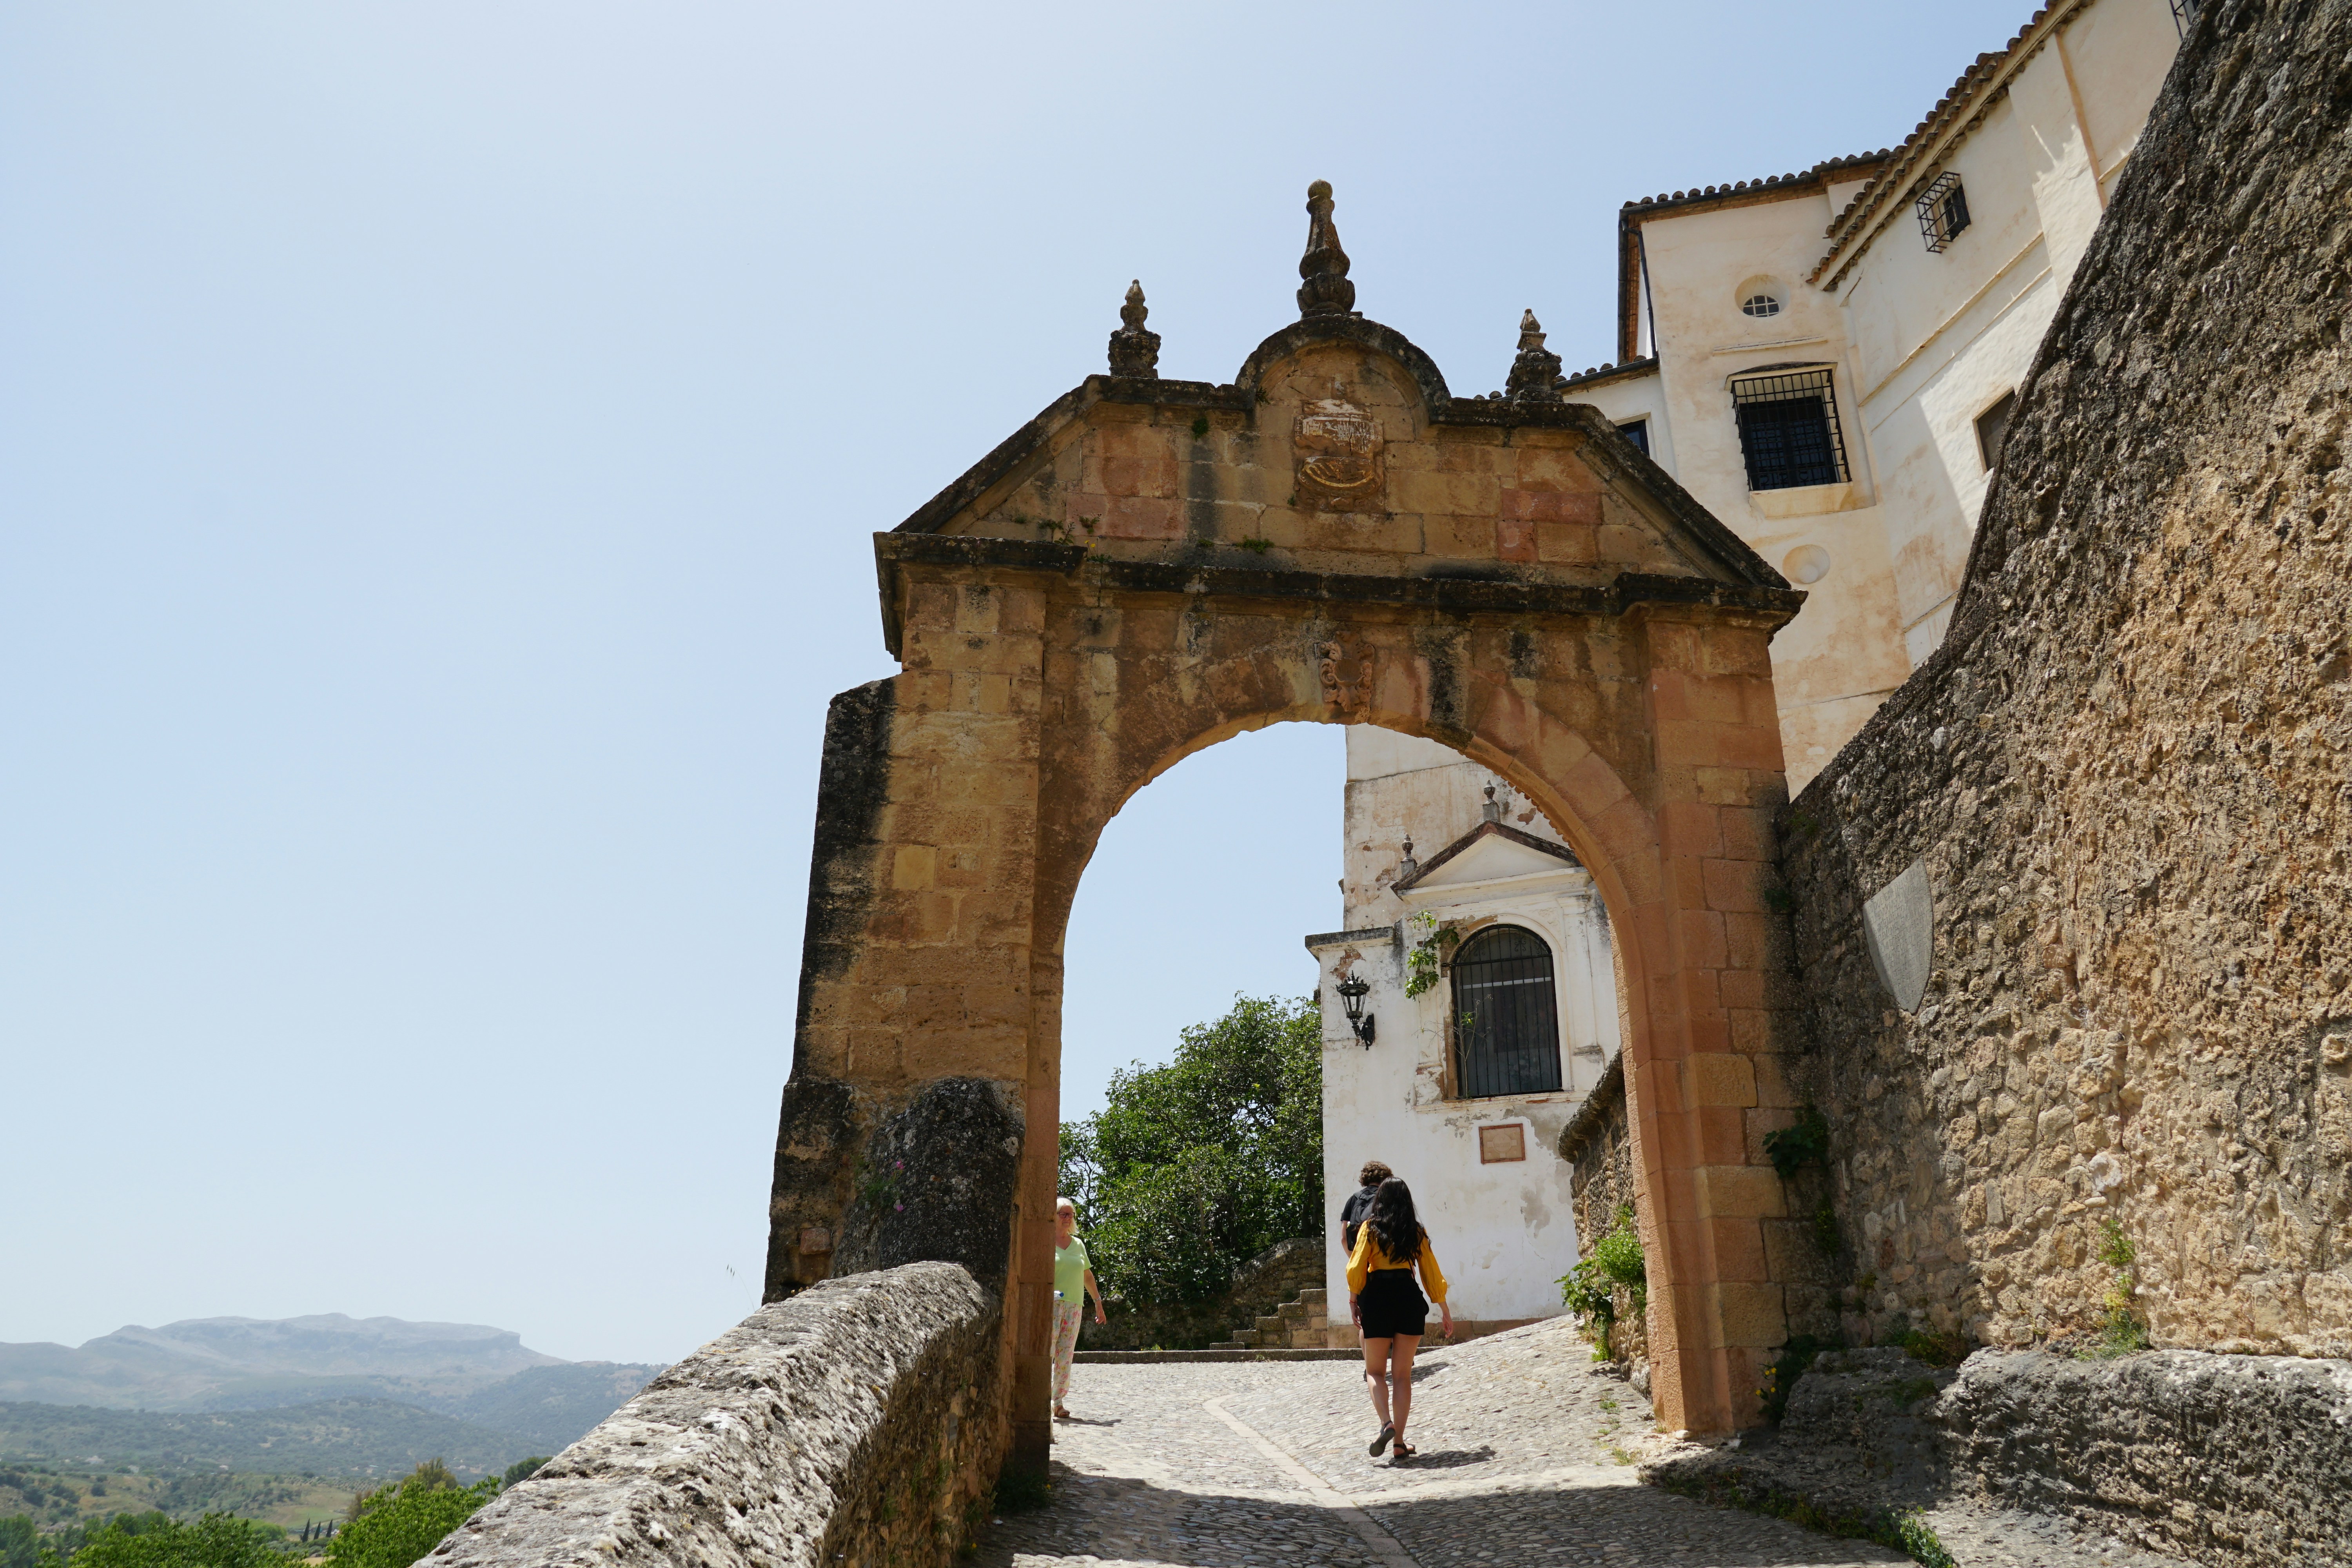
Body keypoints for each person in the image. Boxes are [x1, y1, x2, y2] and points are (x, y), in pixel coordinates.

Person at [1344, 1177, 1452, 1460]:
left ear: (1380, 1200)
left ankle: (1386, 1424)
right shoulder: (1415, 1232)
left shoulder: (1370, 1228)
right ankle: (1399, 1443)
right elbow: (1429, 1269)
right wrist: (1443, 1306)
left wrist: (1354, 1298)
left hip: (1378, 1297)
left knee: (1375, 1373)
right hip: (1407, 1297)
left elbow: (1357, 1265)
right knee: (1403, 1376)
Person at [1051, 1196, 1107, 1421]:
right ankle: (1039, 1399)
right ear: (1053, 1216)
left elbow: (1087, 1275)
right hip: (1051, 1304)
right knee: (1047, 1352)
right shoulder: (1045, 1241)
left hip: (1075, 1305)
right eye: (1062, 1214)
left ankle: (1058, 1402)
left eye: (1070, 1214)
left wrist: (1098, 1303)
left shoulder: (1078, 1244)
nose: (1067, 1218)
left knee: (1066, 1354)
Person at [1338, 1160, 1392, 1335]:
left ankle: (1372, 1361)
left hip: (1364, 1269)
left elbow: (1343, 1238)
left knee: (1367, 1321)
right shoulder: (1390, 1198)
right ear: (1386, 1179)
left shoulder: (1354, 1199)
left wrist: (1357, 1260)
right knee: (1395, 1314)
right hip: (1389, 1265)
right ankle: (1404, 1360)